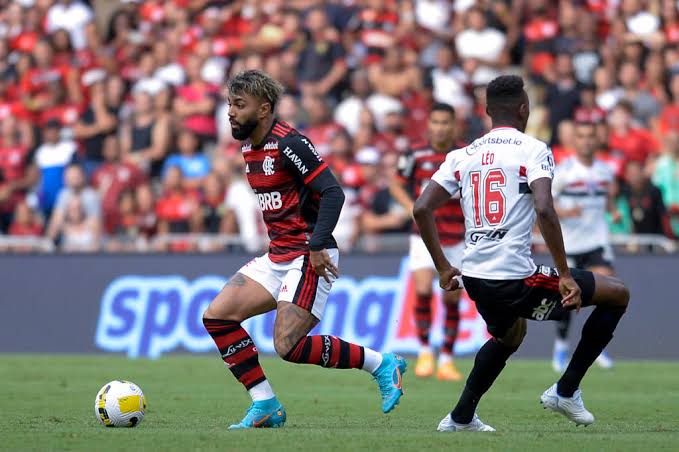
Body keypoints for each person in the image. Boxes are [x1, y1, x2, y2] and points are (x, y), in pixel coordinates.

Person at [413, 75, 629, 432]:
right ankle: (566, 390)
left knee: (510, 335)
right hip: (514, 277)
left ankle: (461, 416)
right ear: (524, 109)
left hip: (475, 277)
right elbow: (544, 208)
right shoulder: (533, 149)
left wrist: (442, 267)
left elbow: (421, 208)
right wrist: (563, 274)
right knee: (618, 294)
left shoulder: (463, 154)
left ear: (486, 112)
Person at [202, 70, 406, 430]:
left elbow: (333, 192)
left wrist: (315, 246)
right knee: (217, 316)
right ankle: (265, 404)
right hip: (278, 254)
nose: (230, 112)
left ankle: (381, 364)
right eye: (229, 104)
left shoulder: (290, 144)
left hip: (310, 254)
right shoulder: (249, 144)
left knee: (287, 345)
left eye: (239, 105)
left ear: (264, 109)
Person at [390, 103, 465, 381]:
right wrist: (413, 206)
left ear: (454, 125)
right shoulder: (415, 153)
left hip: (457, 236)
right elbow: (396, 182)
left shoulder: (464, 155)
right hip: (423, 235)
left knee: (452, 296)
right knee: (422, 289)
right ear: (428, 125)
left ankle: (446, 358)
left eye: (446, 122)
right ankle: (424, 351)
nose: (441, 127)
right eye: (436, 122)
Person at [551, 121, 618, 372]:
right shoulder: (564, 171)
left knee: (608, 291)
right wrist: (567, 211)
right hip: (568, 245)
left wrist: (614, 212)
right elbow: (546, 206)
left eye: (591, 136)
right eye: (582, 136)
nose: (587, 141)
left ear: (597, 140)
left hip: (597, 242)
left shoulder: (605, 170)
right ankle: (560, 346)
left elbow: (607, 200)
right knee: (567, 300)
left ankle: (594, 347)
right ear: (575, 141)